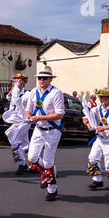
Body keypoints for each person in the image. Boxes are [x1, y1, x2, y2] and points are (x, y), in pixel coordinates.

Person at [25, 66, 65, 201]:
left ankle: (52, 189)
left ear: (50, 79)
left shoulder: (56, 93)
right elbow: (28, 109)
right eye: (39, 78)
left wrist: (39, 118)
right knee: (32, 158)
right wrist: (29, 116)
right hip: (38, 129)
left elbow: (60, 114)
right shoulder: (33, 92)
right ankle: (50, 172)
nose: (41, 80)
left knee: (48, 162)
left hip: (52, 131)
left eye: (45, 78)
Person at [83, 88, 109, 190]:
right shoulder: (96, 109)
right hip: (100, 138)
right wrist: (88, 124)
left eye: (105, 96)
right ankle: (97, 180)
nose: (102, 99)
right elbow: (84, 117)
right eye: (101, 96)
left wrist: (105, 127)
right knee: (92, 158)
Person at [3, 73, 30, 175]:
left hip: (24, 121)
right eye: (15, 80)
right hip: (15, 121)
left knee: (15, 141)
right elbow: (8, 97)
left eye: (18, 80)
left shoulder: (27, 94)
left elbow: (29, 109)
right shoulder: (14, 93)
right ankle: (36, 163)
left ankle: (22, 163)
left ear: (23, 82)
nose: (16, 82)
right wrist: (13, 89)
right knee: (25, 144)